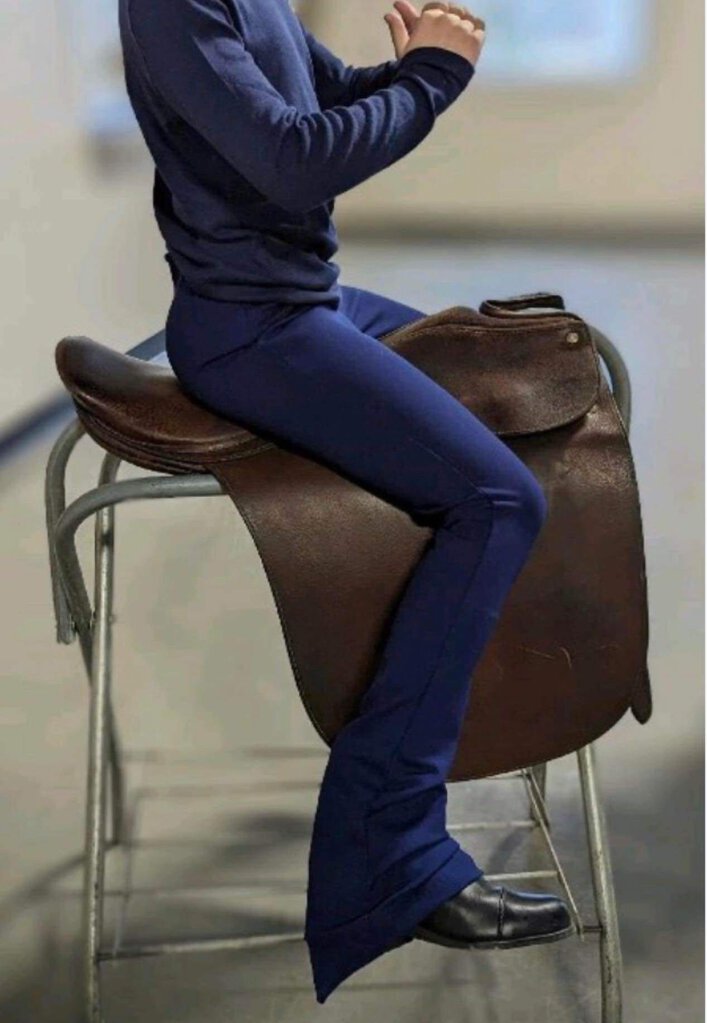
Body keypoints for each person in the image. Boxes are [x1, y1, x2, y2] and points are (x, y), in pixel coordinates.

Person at [118, 0, 573, 1003]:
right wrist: (434, 79)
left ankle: (506, 701)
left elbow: (330, 101)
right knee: (497, 501)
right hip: (253, 328)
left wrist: (410, 70)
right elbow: (292, 161)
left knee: (510, 382)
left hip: (310, 302)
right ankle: (388, 853)